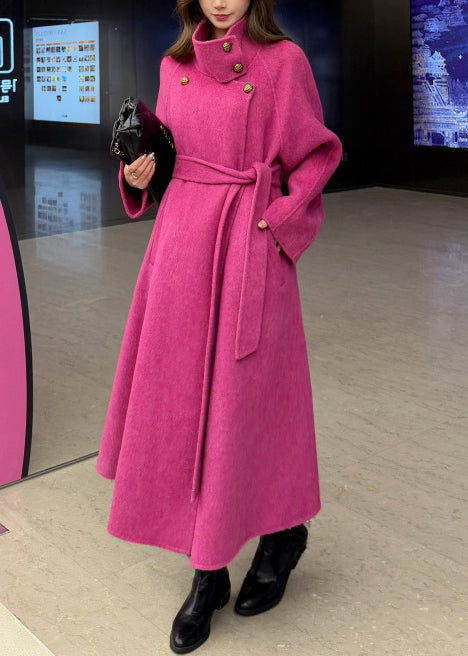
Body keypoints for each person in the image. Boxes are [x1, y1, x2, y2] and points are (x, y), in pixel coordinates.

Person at [96, 0, 342, 652]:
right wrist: (138, 173)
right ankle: (207, 572)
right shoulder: (172, 65)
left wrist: (278, 224)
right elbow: (169, 156)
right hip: (181, 251)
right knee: (183, 411)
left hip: (248, 248)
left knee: (249, 408)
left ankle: (282, 533)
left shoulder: (283, 62)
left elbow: (317, 154)